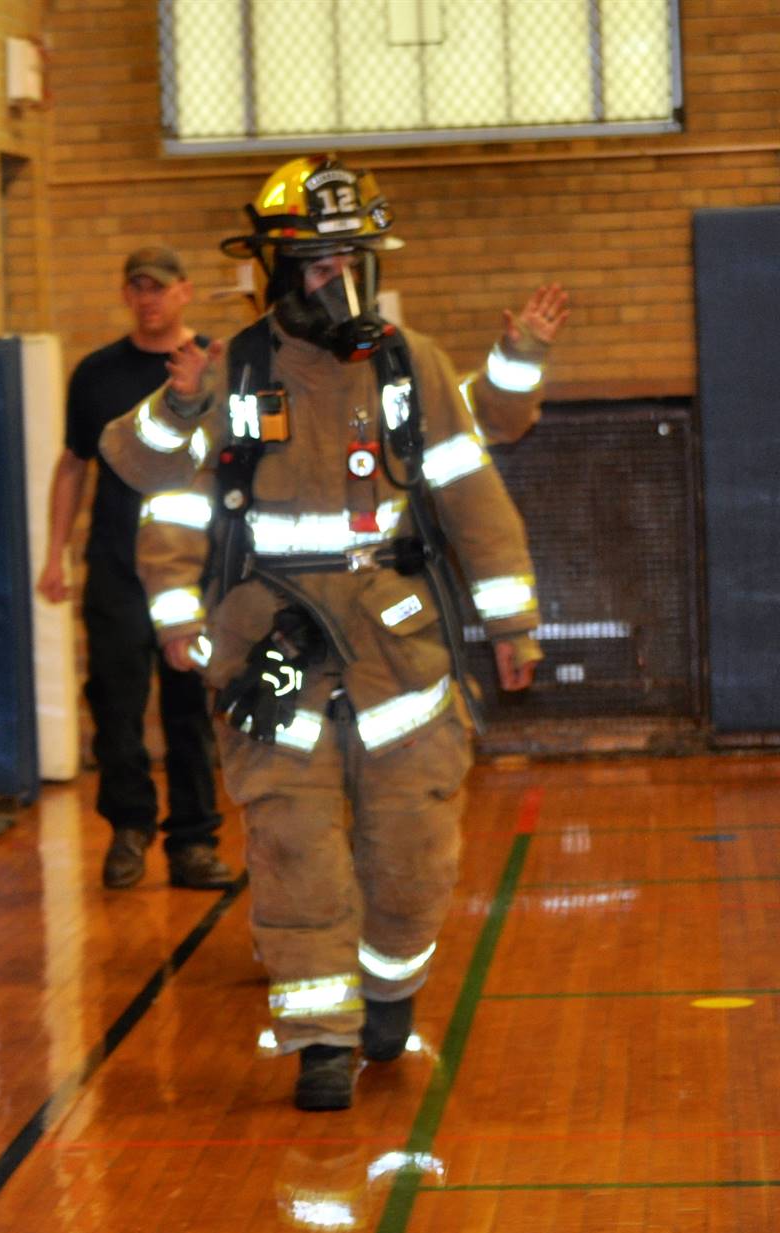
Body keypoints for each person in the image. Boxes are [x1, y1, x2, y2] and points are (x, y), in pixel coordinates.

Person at [100, 154, 567, 1111]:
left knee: (412, 847)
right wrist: (179, 612)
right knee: (292, 844)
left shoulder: (411, 365)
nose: (335, 280)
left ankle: (388, 987)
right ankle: (319, 1033)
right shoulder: (226, 372)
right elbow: (150, 479)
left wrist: (513, 620)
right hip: (269, 651)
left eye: (349, 259)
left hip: (403, 654)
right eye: (314, 264)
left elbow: (473, 494)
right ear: (276, 269)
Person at [38, 246, 231, 891]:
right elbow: (73, 466)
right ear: (126, 296)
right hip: (117, 568)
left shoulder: (212, 367)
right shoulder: (96, 374)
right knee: (116, 705)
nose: (148, 299)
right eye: (136, 289)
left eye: (160, 288)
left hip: (193, 571)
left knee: (190, 708)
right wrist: (55, 552)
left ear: (186, 292)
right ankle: (128, 830)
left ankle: (195, 842)